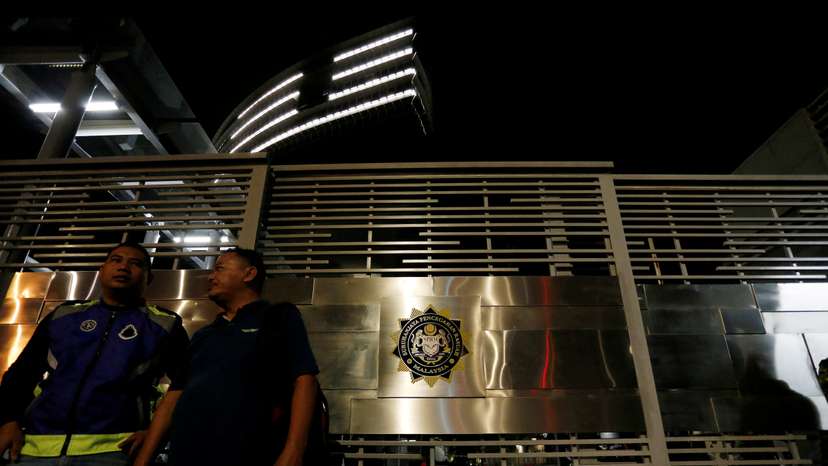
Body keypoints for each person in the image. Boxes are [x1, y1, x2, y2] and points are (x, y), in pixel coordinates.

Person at [0, 241, 189, 465]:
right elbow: (23, 372)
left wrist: (154, 436)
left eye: (135, 263)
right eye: (115, 260)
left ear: (148, 278)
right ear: (102, 270)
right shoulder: (64, 315)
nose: (123, 267)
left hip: (114, 450)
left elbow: (186, 386)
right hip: (34, 447)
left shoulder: (164, 324)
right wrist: (7, 420)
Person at [134, 248, 322, 466]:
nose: (211, 277)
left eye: (220, 269)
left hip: (250, 453)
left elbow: (305, 379)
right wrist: (143, 459)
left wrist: (294, 452)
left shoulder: (278, 317)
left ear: (249, 274)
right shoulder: (204, 335)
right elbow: (173, 399)